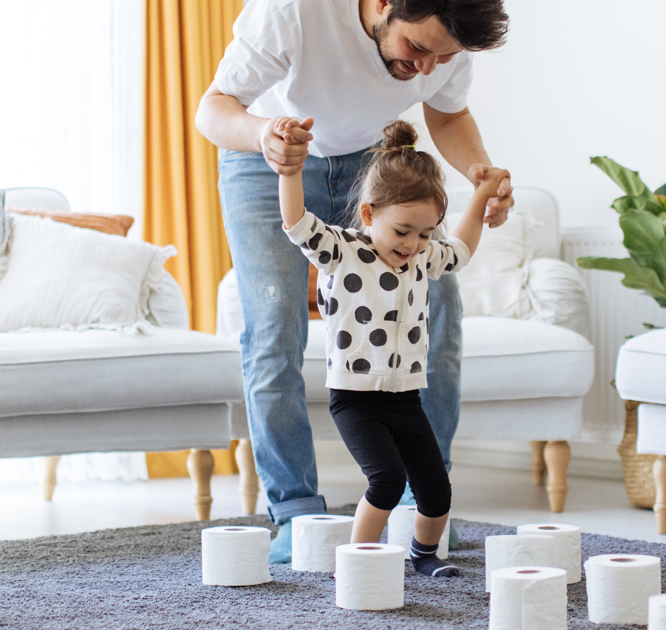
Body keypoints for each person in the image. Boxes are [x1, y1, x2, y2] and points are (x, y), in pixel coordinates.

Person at [195, 0, 513, 563]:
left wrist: (481, 174)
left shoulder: (444, 38)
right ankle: (297, 512)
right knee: (274, 330)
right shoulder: (293, 10)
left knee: (440, 314)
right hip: (265, 160)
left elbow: (447, 112)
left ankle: (421, 500)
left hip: (376, 163)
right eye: (416, 49)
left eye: (444, 57)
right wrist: (265, 133)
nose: (428, 69)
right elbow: (214, 109)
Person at [277, 118, 505, 577]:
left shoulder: (423, 256)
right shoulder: (342, 251)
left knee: (437, 491)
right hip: (355, 399)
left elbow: (459, 249)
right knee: (386, 480)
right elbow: (296, 222)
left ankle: (422, 555)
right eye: (403, 231)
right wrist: (290, 170)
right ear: (368, 214)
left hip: (405, 397)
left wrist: (482, 193)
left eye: (425, 233)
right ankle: (359, 566)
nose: (414, 244)